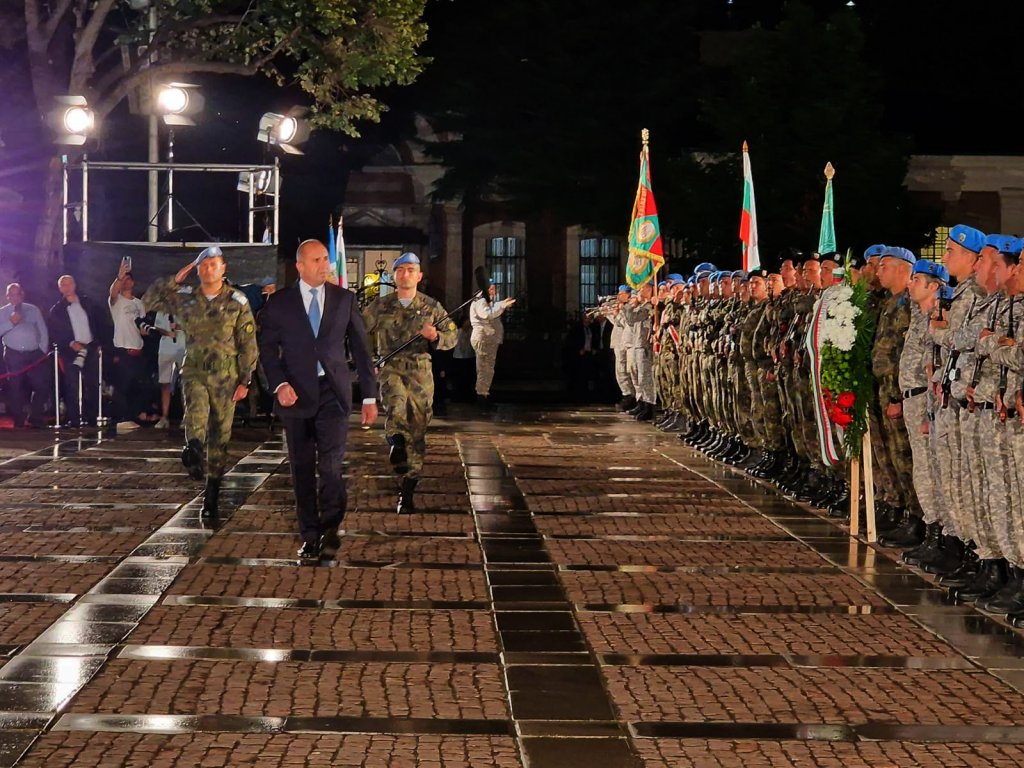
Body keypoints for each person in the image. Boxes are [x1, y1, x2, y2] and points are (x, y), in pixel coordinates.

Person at [257, 239, 378, 560]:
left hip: (333, 395)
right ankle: (309, 534)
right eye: (316, 260)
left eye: (326, 258)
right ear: (300, 266)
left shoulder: (344, 300)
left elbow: (363, 352)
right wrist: (279, 384)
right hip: (294, 396)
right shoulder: (280, 304)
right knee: (300, 468)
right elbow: (266, 350)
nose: (325, 265)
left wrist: (369, 396)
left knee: (331, 466)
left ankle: (331, 523)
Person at [142, 246, 259, 520]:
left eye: (213, 265)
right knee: (195, 414)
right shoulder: (186, 299)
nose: (208, 270)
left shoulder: (237, 301)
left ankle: (212, 493)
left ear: (223, 268)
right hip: (194, 370)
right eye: (203, 265)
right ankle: (193, 449)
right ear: (197, 270)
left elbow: (248, 344)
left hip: (226, 377)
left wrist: (245, 380)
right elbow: (149, 300)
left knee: (220, 436)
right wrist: (178, 277)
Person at [363, 252, 457, 514]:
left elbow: (452, 336)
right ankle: (395, 442)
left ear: (419, 276)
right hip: (391, 367)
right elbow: (358, 335)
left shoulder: (430, 307)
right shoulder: (378, 307)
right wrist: (368, 360)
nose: (405, 274)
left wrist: (435, 334)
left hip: (420, 372)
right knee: (395, 405)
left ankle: (407, 490)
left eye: (410, 270)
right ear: (394, 275)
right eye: (400, 270)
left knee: (417, 431)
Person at [48, 275, 107, 427]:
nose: (67, 287)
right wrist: (69, 343)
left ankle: (92, 418)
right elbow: (54, 333)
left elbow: (99, 321)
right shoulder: (57, 310)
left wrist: (98, 341)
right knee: (71, 385)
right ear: (60, 288)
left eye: (69, 283)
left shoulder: (87, 302)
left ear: (75, 284)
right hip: (70, 351)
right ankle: (74, 419)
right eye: (63, 285)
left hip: (90, 347)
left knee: (92, 384)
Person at [0, 283, 51, 428]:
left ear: (22, 295)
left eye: (18, 294)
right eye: (12, 294)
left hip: (35, 354)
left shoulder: (32, 309)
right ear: (7, 296)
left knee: (42, 385)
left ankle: (35, 416)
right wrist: (11, 322)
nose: (15, 297)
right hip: (14, 353)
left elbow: (42, 329)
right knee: (16, 387)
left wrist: (42, 349)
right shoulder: (2, 312)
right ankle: (18, 418)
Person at [108, 259, 148, 433]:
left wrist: (144, 331)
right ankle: (120, 418)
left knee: (138, 386)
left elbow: (143, 324)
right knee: (121, 385)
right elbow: (113, 292)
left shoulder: (139, 303)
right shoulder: (115, 302)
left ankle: (132, 416)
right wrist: (119, 276)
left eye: (129, 279)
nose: (126, 282)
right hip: (122, 349)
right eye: (124, 280)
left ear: (133, 282)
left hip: (138, 349)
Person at [469, 283, 515, 406]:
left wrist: (501, 304)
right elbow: (487, 313)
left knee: (487, 367)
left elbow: (492, 308)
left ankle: (483, 393)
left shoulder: (484, 300)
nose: (494, 291)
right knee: (485, 368)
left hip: (488, 338)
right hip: (484, 338)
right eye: (491, 288)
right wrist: (502, 306)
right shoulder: (481, 300)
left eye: (495, 288)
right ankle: (482, 396)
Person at [153, 311, 186, 429]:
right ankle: (164, 417)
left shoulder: (185, 304)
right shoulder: (163, 307)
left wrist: (179, 327)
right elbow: (157, 326)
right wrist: (167, 332)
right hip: (166, 349)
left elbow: (194, 325)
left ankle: (186, 418)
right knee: (165, 383)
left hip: (183, 347)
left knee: (185, 384)